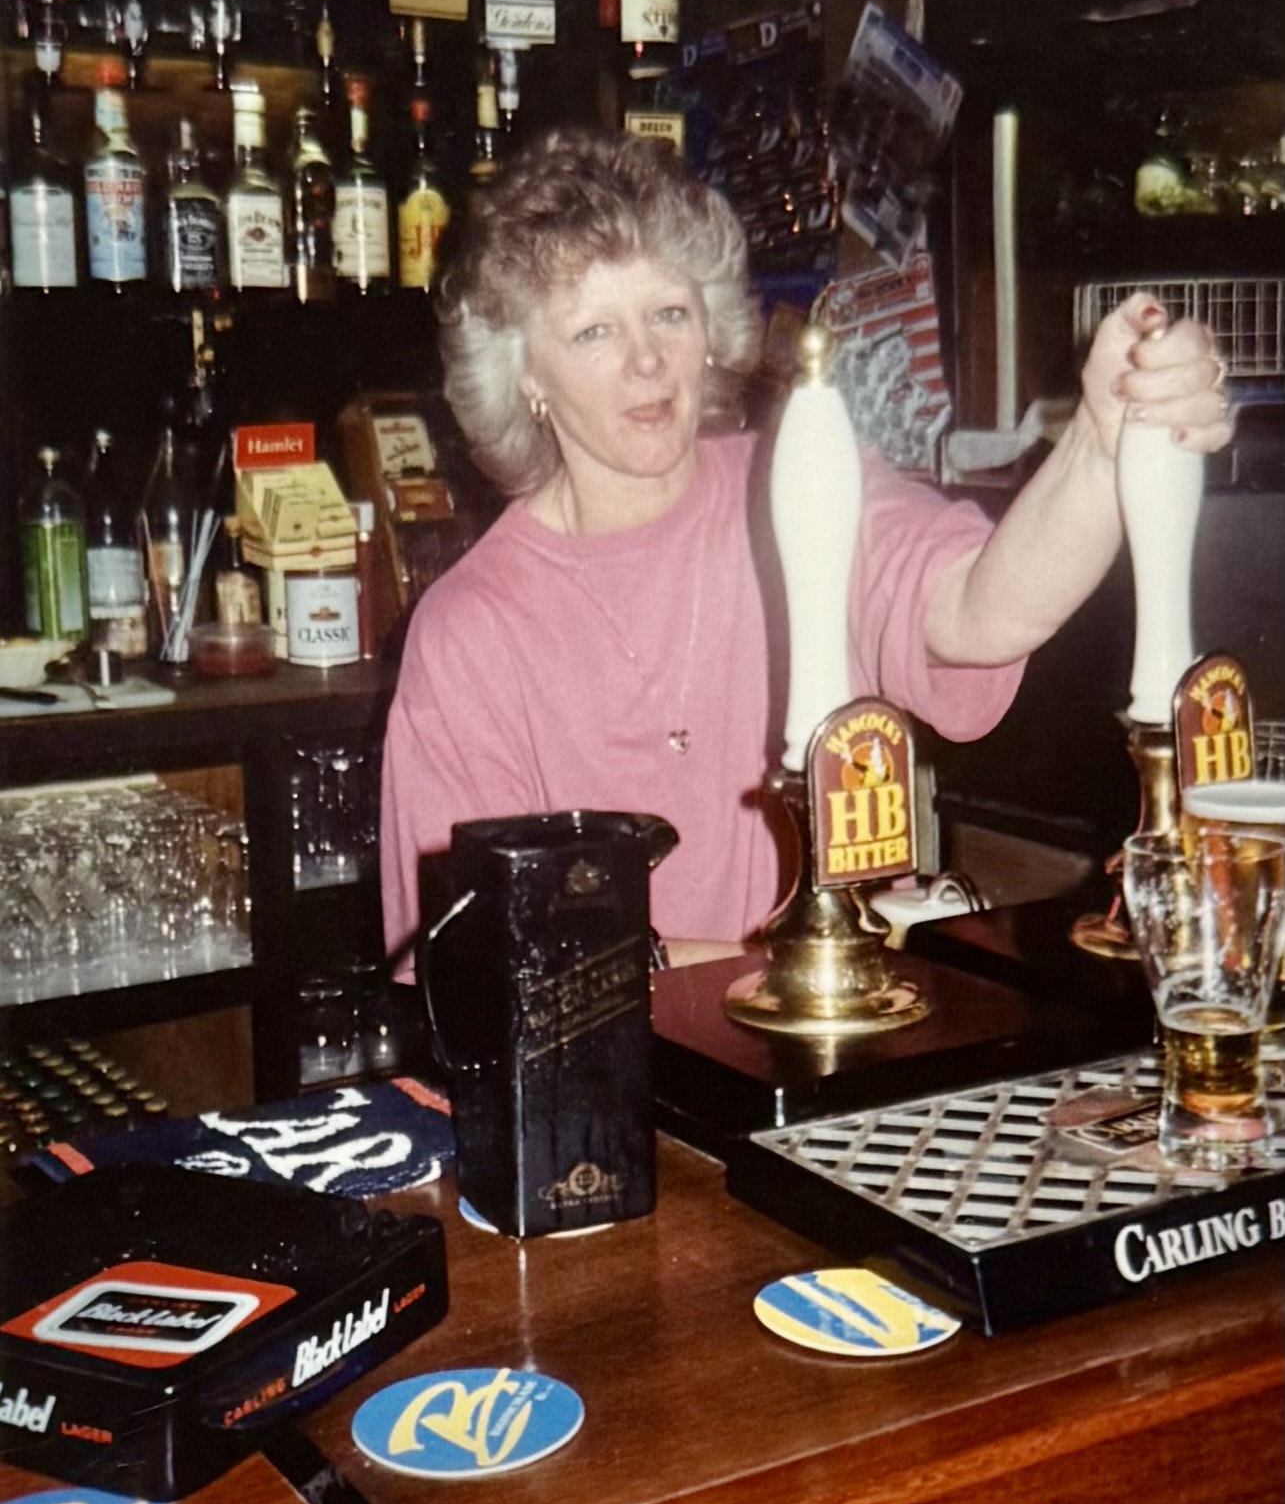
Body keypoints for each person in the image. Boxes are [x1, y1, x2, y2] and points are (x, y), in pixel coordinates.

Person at [381, 127, 1232, 973]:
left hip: (845, 1061)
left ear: (710, 329)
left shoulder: (801, 481)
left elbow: (983, 611)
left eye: (668, 313)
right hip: (620, 1087)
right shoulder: (472, 629)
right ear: (524, 374)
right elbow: (477, 965)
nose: (646, 360)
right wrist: (794, 973)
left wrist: (1103, 431)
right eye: (592, 333)